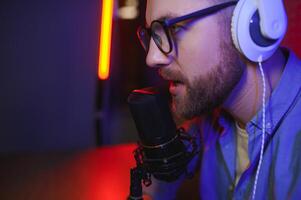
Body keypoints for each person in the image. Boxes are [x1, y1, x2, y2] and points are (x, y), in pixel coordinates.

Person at [136, 0, 301, 199]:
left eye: (174, 28)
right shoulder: (208, 112)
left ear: (250, 23)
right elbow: (162, 175)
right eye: (153, 34)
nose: (151, 58)